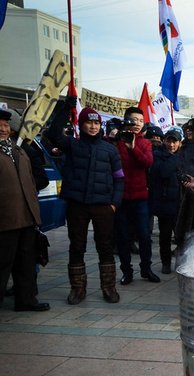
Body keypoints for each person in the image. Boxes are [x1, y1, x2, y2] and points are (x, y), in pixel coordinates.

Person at [45, 103, 124, 304]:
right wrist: (64, 109)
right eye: (89, 122)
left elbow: (119, 179)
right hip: (77, 205)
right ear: (81, 125)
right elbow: (54, 133)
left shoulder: (110, 150)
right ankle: (77, 290)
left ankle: (109, 288)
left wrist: (114, 203)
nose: (93, 126)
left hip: (103, 206)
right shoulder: (72, 145)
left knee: (105, 246)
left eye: (96, 123)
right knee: (77, 246)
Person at [0, 109, 50, 312]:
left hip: (27, 218)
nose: (3, 129)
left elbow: (31, 180)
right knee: (2, 266)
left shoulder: (18, 150)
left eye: (5, 125)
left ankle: (26, 300)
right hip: (5, 220)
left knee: (26, 264)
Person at [113, 106, 158, 285]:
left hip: (140, 197)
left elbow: (147, 162)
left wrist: (132, 147)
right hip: (121, 197)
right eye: (134, 120)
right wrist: (116, 139)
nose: (137, 124)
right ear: (126, 122)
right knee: (123, 237)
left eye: (141, 121)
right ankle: (127, 271)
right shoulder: (116, 142)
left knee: (145, 236)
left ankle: (146, 269)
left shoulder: (144, 142)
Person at [149, 128, 185, 274]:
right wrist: (175, 158)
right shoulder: (157, 155)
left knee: (181, 236)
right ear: (164, 141)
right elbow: (163, 172)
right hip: (164, 203)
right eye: (169, 141)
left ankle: (181, 263)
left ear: (179, 143)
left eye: (174, 141)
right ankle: (165, 263)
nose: (171, 145)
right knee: (164, 236)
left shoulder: (185, 156)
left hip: (181, 202)